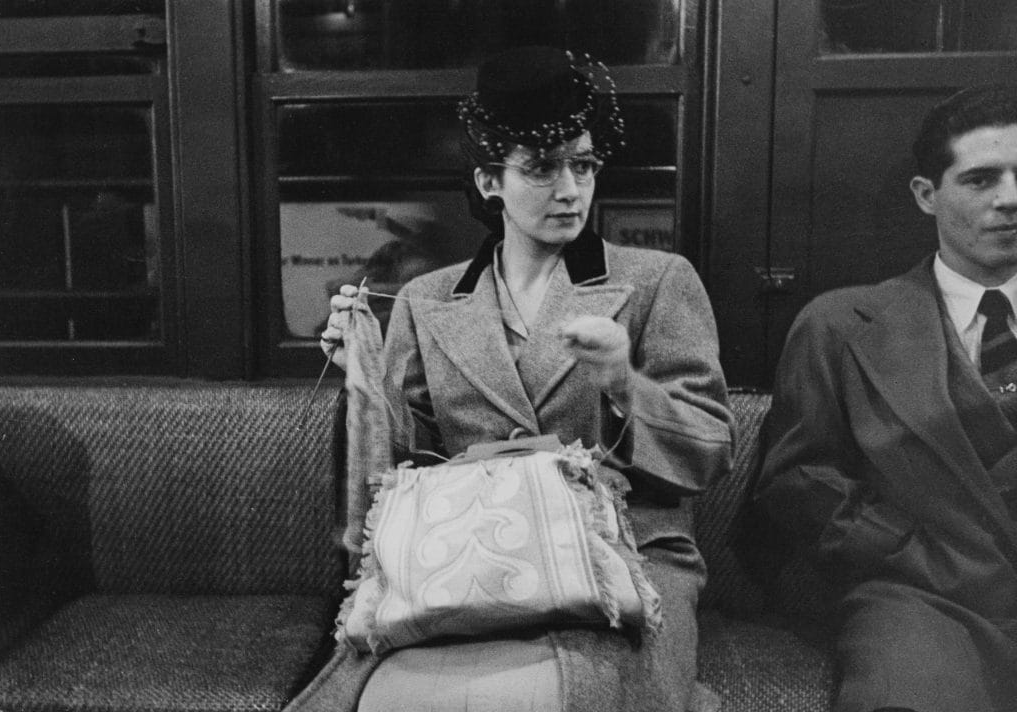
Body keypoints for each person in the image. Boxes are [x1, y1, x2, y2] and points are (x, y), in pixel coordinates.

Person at [287, 45, 734, 712]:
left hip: (624, 559)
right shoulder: (426, 299)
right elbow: (406, 470)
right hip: (470, 555)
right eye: (542, 168)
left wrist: (622, 381)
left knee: (589, 694)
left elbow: (709, 452)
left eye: (582, 165)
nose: (569, 190)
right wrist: (366, 379)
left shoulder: (655, 282)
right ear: (490, 181)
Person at [753, 85, 1017, 712]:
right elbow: (796, 480)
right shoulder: (842, 325)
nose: (1011, 199)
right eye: (981, 180)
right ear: (927, 196)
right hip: (922, 600)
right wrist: (909, 553)